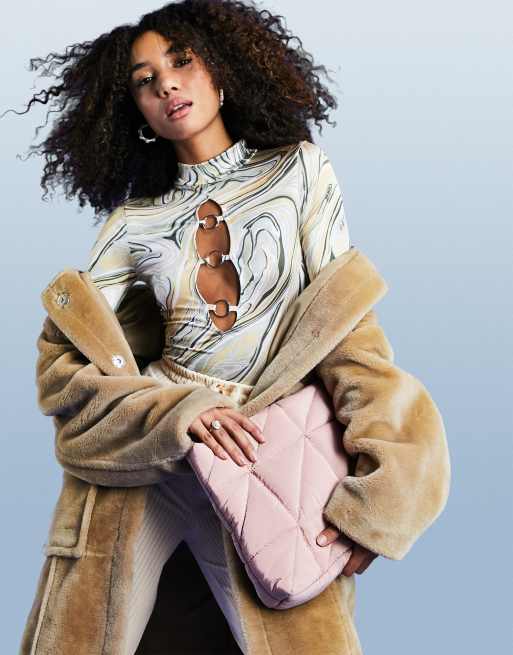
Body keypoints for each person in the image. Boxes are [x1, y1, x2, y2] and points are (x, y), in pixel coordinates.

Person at [18, 2, 451, 654]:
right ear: (135, 110)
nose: (166, 84)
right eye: (145, 80)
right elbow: (67, 357)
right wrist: (176, 412)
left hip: (267, 452)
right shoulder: (131, 224)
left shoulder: (299, 171)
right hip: (162, 450)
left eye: (182, 62)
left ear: (221, 72)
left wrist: (382, 492)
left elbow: (343, 327)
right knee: (83, 636)